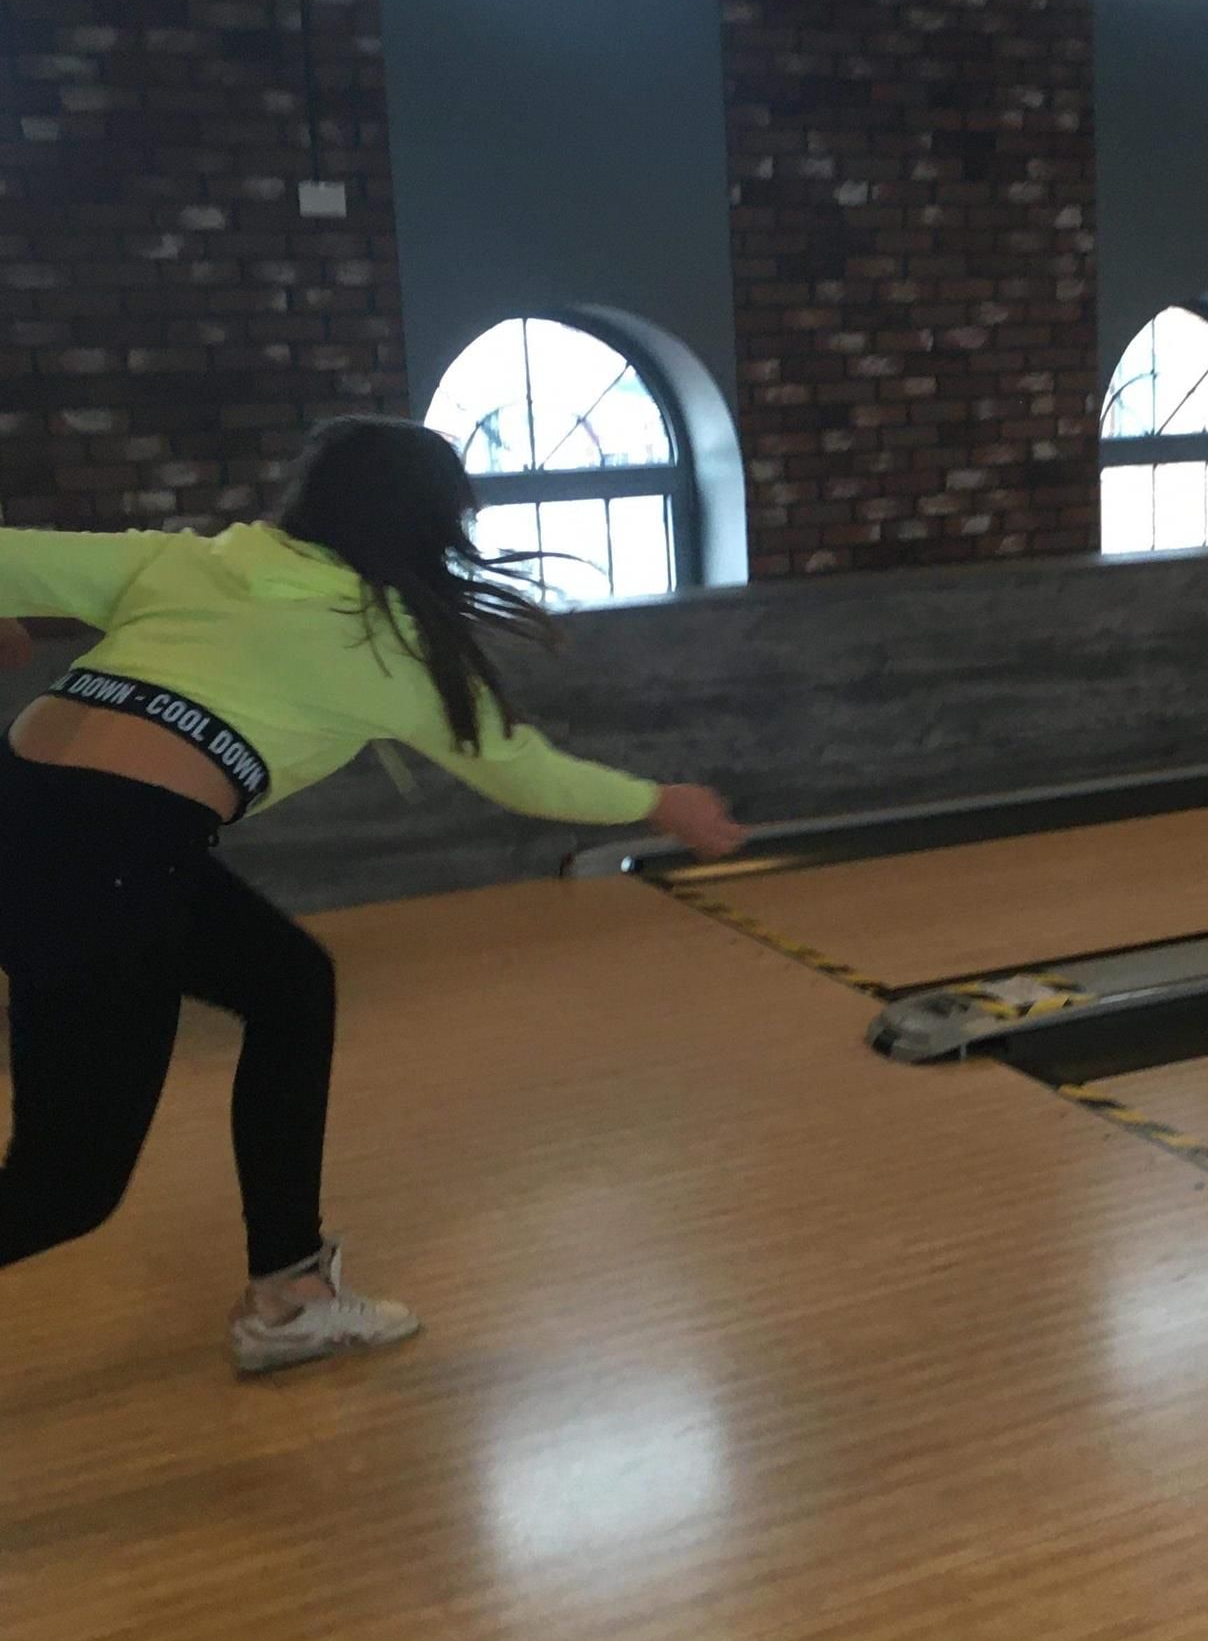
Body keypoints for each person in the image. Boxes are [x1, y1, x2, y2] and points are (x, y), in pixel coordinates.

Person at [0, 417, 741, 1374]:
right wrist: (659, 801)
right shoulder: (390, 645)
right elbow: (526, 774)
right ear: (431, 526)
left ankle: (292, 1290)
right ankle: (288, 1296)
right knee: (65, 1191)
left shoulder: (190, 563)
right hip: (111, 860)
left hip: (31, 816)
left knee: (290, 986)